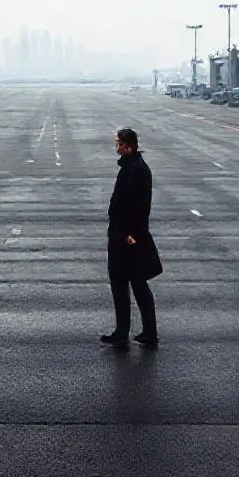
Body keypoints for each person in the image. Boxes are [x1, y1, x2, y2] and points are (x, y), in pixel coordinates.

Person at [101, 127, 162, 347]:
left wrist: (132, 235)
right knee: (120, 284)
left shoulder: (138, 169)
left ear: (129, 145)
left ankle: (149, 332)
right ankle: (122, 330)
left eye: (119, 143)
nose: (117, 147)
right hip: (120, 235)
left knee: (137, 284)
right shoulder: (130, 167)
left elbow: (140, 206)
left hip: (128, 238)